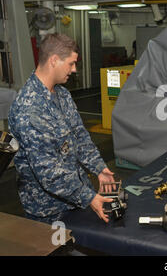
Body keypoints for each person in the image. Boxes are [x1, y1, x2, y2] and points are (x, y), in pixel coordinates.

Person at [8, 33, 115, 224]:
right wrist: (88, 197)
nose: (74, 70)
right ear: (54, 60)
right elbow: (49, 173)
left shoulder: (62, 94)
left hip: (75, 200)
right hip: (49, 210)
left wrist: (99, 168)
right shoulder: (30, 108)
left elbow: (79, 137)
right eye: (71, 63)